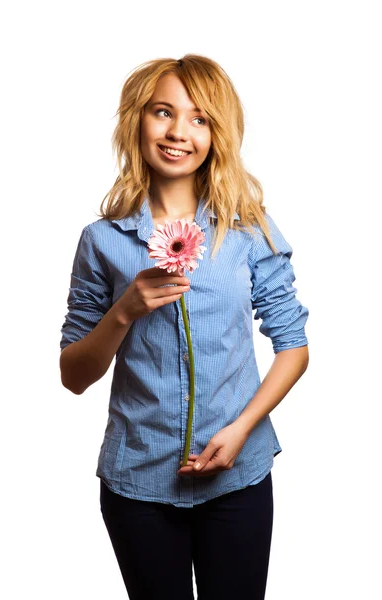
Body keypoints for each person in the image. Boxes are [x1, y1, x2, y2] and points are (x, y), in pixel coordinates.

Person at [59, 54, 310, 600]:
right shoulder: (102, 241)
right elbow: (73, 375)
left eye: (199, 118)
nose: (178, 132)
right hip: (138, 481)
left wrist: (242, 428)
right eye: (162, 112)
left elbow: (293, 347)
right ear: (137, 121)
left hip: (237, 477)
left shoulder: (247, 230)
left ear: (217, 133)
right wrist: (124, 309)